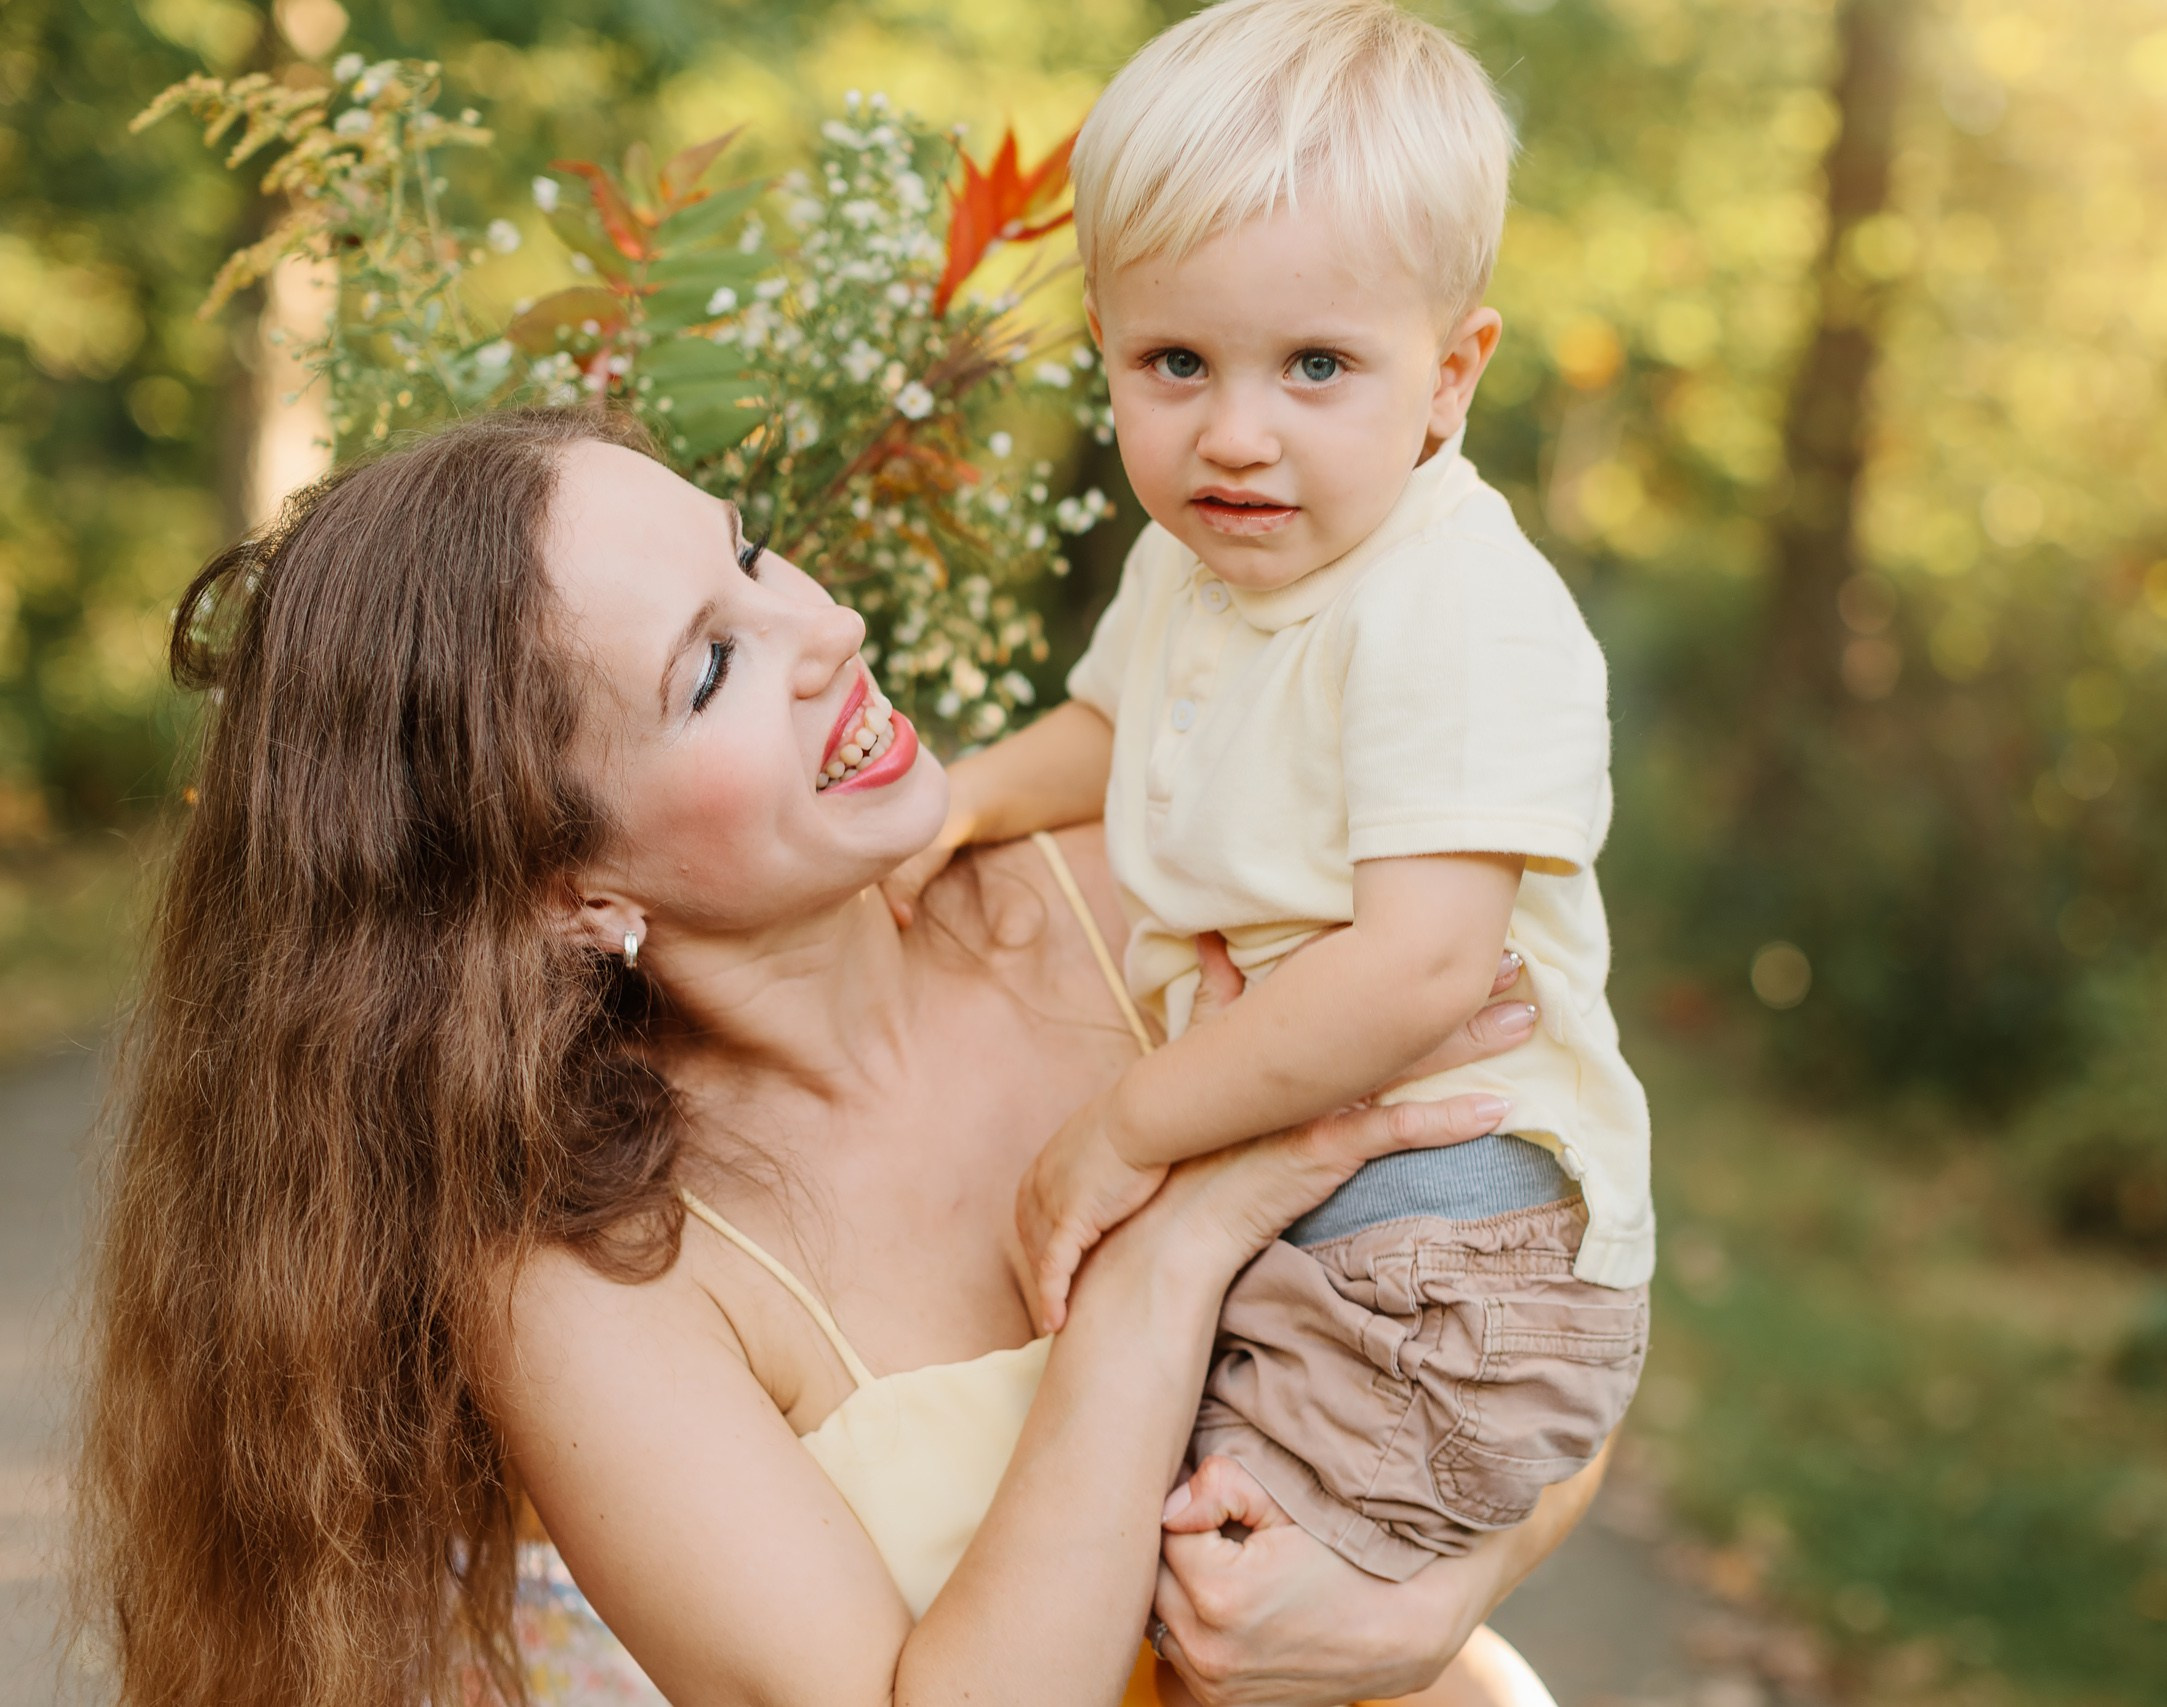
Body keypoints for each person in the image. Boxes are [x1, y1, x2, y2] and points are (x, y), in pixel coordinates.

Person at [70, 408, 1597, 1706]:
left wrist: (1426, 1607)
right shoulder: (593, 1278)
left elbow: (1568, 1296)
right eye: (709, 669)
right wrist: (1170, 1244)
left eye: (747, 556)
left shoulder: (1156, 880)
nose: (826, 630)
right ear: (568, 888)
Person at [887, 0, 1653, 1588]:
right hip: (1315, 1192)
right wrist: (959, 801)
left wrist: (1122, 1128)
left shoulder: (1453, 607)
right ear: (1106, 338)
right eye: (1176, 362)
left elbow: (1423, 964)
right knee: (1112, 1543)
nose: (1236, 435)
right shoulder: (1201, 563)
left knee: (1228, 1593)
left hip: (1451, 1235)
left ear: (1450, 374)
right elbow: (1115, 729)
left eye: (1318, 366)